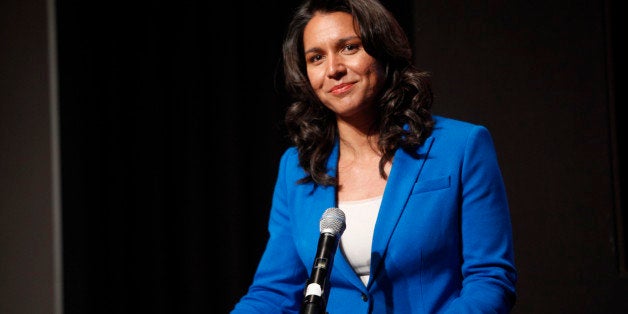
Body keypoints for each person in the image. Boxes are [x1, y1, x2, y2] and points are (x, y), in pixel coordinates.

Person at [231, 0, 517, 312]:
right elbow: (272, 294)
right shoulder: (297, 168)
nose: (333, 69)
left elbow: (489, 279)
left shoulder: (461, 147)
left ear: (383, 50)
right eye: (316, 57)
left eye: (349, 47)